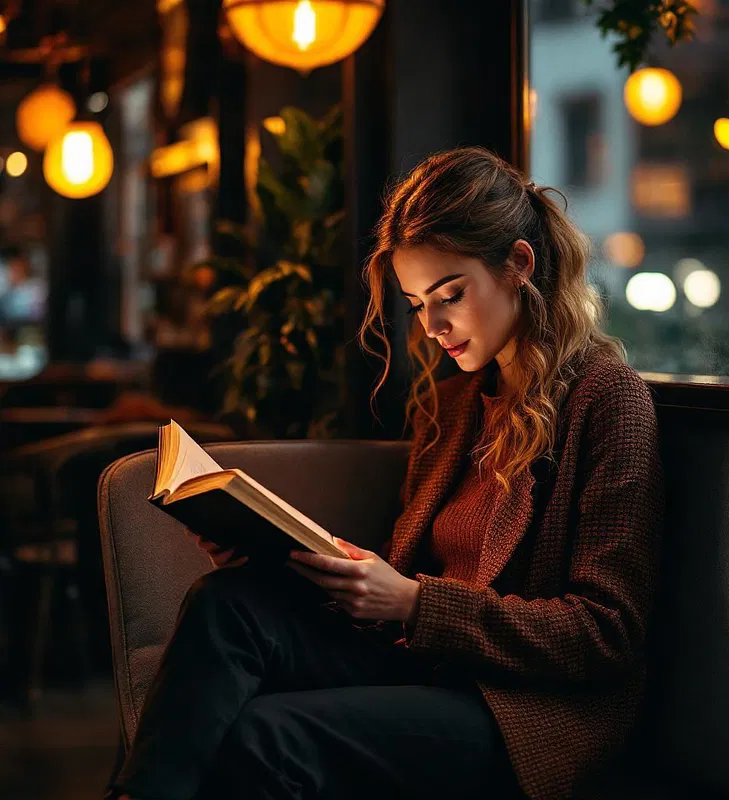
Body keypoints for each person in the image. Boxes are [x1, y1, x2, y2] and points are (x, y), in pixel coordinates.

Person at [106, 147, 664, 800]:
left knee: (262, 735)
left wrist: (415, 602)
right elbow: (410, 578)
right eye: (416, 303)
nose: (432, 327)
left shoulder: (607, 398)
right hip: (427, 660)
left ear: (519, 264)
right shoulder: (458, 403)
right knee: (224, 606)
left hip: (521, 709)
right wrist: (274, 549)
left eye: (450, 295)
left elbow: (606, 633)